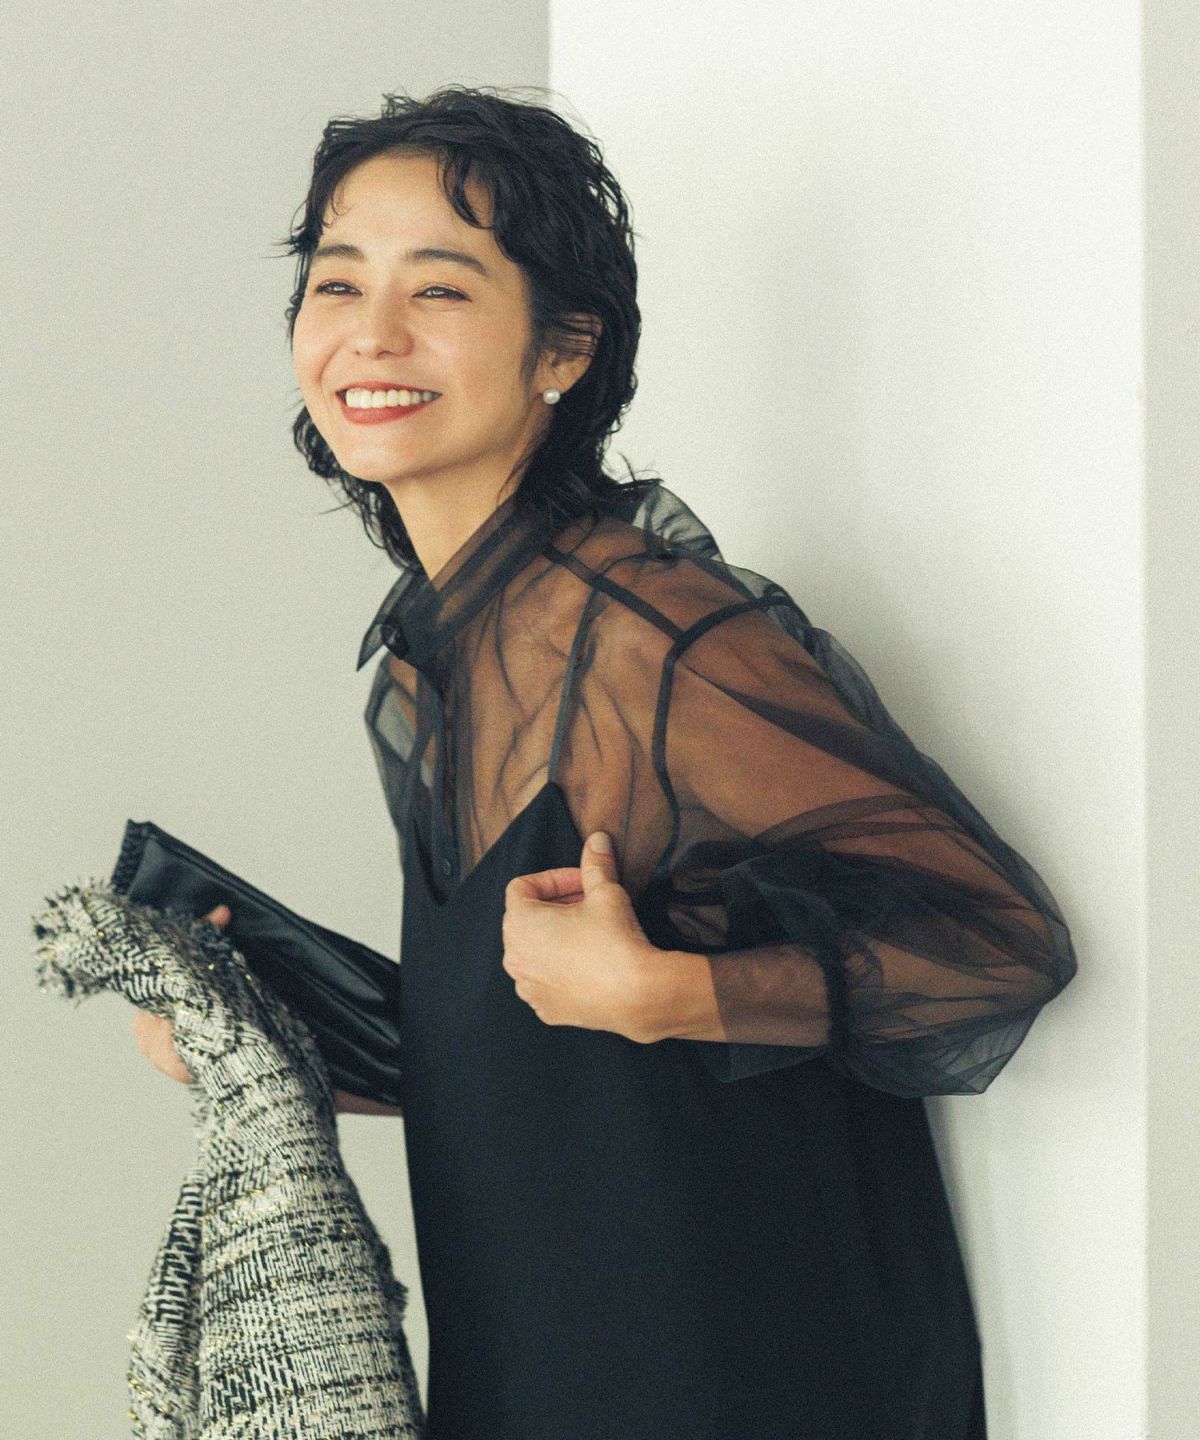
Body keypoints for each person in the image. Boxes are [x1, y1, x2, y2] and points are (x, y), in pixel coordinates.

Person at [137, 84, 1077, 1439]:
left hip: (744, 1379)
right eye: (337, 282)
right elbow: (532, 1048)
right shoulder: (436, 652)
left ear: (563, 348)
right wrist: (271, 1038)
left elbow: (996, 947)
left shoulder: (650, 635)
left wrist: (678, 993)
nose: (371, 334)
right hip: (542, 1364)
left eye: (440, 289)